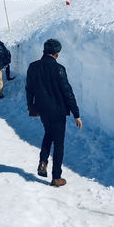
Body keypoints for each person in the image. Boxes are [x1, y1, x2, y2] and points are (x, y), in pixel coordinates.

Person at [25, 38, 82, 187]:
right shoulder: (59, 69)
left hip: (43, 109)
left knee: (48, 133)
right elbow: (67, 92)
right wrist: (76, 114)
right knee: (59, 143)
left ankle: (43, 162)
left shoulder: (33, 67)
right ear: (56, 54)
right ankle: (56, 177)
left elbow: (29, 89)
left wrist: (31, 107)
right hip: (58, 111)